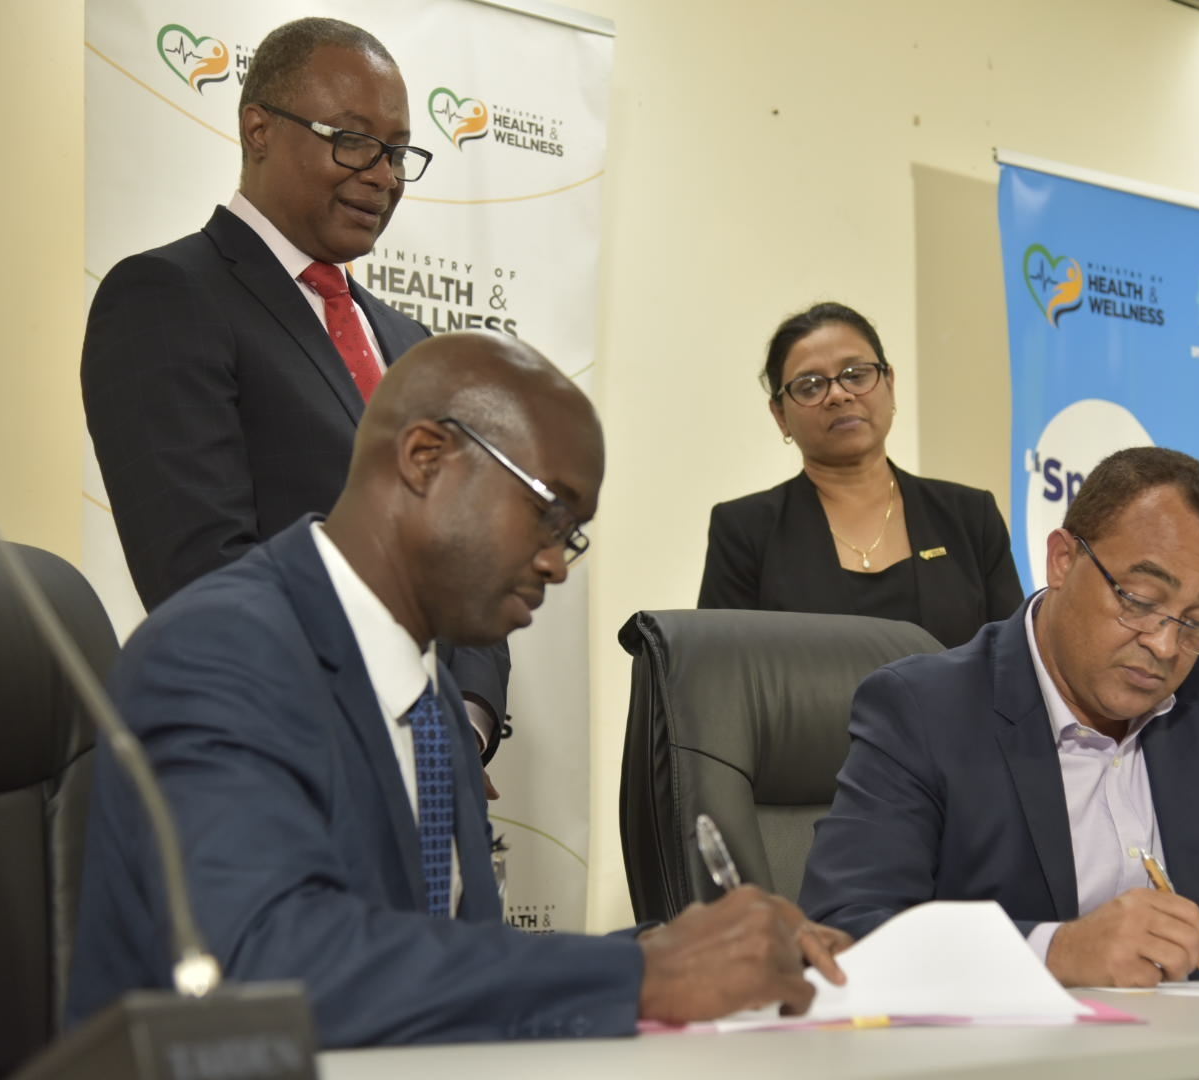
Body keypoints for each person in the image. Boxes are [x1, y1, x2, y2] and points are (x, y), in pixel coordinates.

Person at [67, 332, 850, 1045]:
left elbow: (444, 969)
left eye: (571, 534)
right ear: (425, 457)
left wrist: (678, 950)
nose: (557, 563)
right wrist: (643, 975)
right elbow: (260, 968)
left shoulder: (431, 698)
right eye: (548, 514)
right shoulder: (221, 650)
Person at [799, 447, 1199, 986]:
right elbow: (845, 931)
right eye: (1140, 600)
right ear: (1062, 560)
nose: (1165, 645)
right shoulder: (924, 709)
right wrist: (1055, 952)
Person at [81, 17, 508, 756]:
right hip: (278, 760)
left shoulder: (414, 345)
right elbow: (202, 575)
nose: (383, 175)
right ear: (259, 129)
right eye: (353, 140)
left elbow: (465, 555)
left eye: (398, 152)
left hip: (438, 771)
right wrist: (377, 736)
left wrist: (464, 722)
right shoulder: (167, 297)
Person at [698, 302, 1023, 648]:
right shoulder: (745, 532)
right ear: (780, 415)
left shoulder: (970, 516)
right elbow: (722, 668)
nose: (838, 395)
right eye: (810, 386)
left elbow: (1012, 659)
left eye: (856, 375)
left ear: (889, 384)